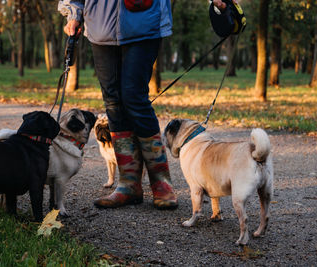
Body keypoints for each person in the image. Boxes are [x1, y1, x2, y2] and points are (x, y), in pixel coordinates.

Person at [58, 0, 226, 210]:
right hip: (100, 26)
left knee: (134, 97)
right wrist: (74, 12)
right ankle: (128, 184)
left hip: (144, 21)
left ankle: (161, 183)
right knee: (113, 101)